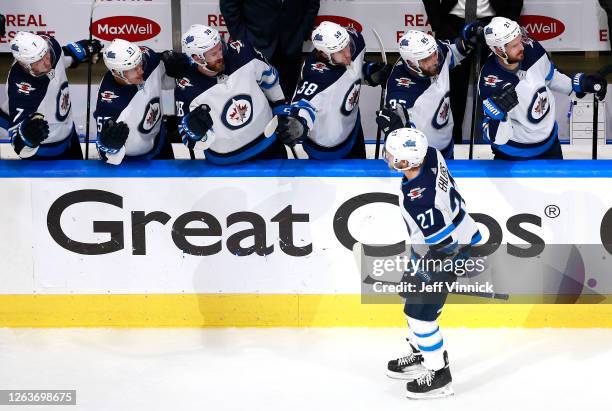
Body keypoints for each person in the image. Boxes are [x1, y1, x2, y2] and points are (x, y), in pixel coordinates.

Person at [383, 127, 481, 399]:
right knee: (410, 300)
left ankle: (439, 374)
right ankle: (419, 353)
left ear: (405, 163)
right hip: (442, 242)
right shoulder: (431, 154)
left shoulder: (421, 199)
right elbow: (417, 139)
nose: (386, 158)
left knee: (419, 314)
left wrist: (427, 275)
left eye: (390, 155)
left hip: (448, 252)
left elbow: (445, 246)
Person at [479, 17, 607, 160]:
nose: (521, 47)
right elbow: (496, 138)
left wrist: (578, 84)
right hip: (513, 155)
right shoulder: (490, 82)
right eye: (514, 45)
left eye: (520, 40)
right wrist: (500, 118)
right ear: (498, 49)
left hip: (550, 145)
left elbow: (550, 77)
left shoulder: (532, 48)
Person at [270, 21, 391, 159]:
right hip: (327, 145)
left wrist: (370, 72)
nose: (348, 54)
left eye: (347, 45)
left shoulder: (355, 40)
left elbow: (353, 72)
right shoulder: (315, 75)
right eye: (340, 51)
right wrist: (298, 124)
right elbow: (305, 105)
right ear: (324, 54)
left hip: (353, 130)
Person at [173, 24, 287, 165]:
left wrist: (281, 108)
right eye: (213, 54)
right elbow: (187, 138)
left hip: (268, 145)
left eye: (220, 48)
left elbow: (271, 80)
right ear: (197, 58)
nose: (220, 55)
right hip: (226, 162)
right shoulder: (186, 90)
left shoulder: (244, 53)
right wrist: (196, 134)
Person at [376, 23, 483, 159]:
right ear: (411, 63)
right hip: (423, 159)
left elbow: (454, 52)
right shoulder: (400, 94)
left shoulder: (436, 53)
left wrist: (467, 40)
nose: (435, 61)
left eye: (434, 54)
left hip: (447, 145)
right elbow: (396, 147)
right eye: (427, 59)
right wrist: (395, 131)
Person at [3, 31, 101, 159]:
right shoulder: (21, 90)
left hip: (69, 135)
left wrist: (82, 50)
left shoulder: (50, 46)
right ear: (25, 65)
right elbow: (18, 144)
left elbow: (62, 57)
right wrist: (27, 138)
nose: (47, 62)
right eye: (38, 61)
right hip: (44, 151)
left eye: (46, 54)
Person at [94, 39, 186, 165]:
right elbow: (104, 151)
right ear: (116, 72)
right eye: (133, 69)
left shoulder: (148, 57)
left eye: (140, 64)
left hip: (160, 141)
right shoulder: (108, 103)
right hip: (129, 161)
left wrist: (176, 66)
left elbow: (165, 81)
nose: (141, 71)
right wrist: (110, 148)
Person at [220, 0, 320, 97]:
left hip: (292, 43)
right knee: (255, 100)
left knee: (287, 97)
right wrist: (243, 40)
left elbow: (312, 4)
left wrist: (302, 33)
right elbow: (229, 6)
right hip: (254, 44)